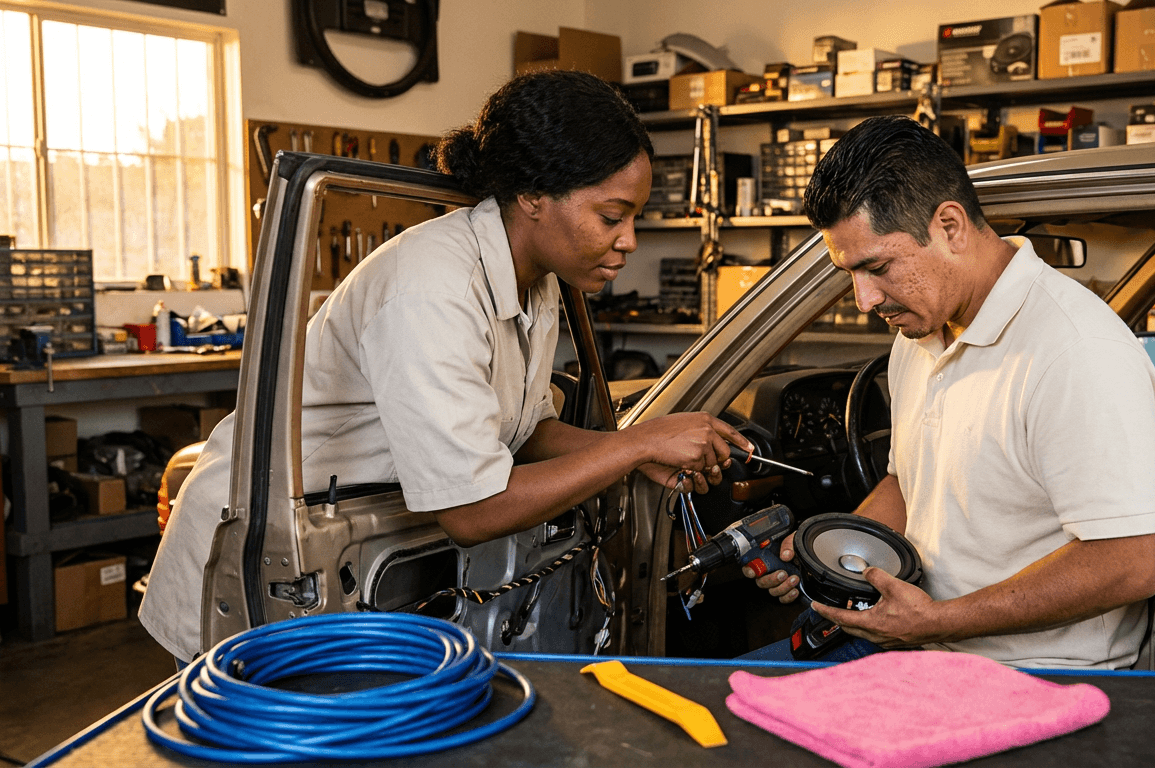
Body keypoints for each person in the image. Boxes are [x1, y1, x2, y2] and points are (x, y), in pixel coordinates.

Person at [141, 70, 750, 663]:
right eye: (612, 217)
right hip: (259, 554)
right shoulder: (432, 286)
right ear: (534, 195)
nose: (630, 241)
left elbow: (526, 429)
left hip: (365, 537)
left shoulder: (534, 280)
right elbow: (472, 510)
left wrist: (640, 455)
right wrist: (635, 447)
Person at [749, 115, 1155, 668]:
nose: (863, 300)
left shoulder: (1075, 350)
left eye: (877, 267)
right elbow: (909, 484)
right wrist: (829, 556)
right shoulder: (919, 330)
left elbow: (1128, 563)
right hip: (918, 642)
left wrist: (936, 621)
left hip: (1022, 674)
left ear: (949, 226)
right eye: (848, 273)